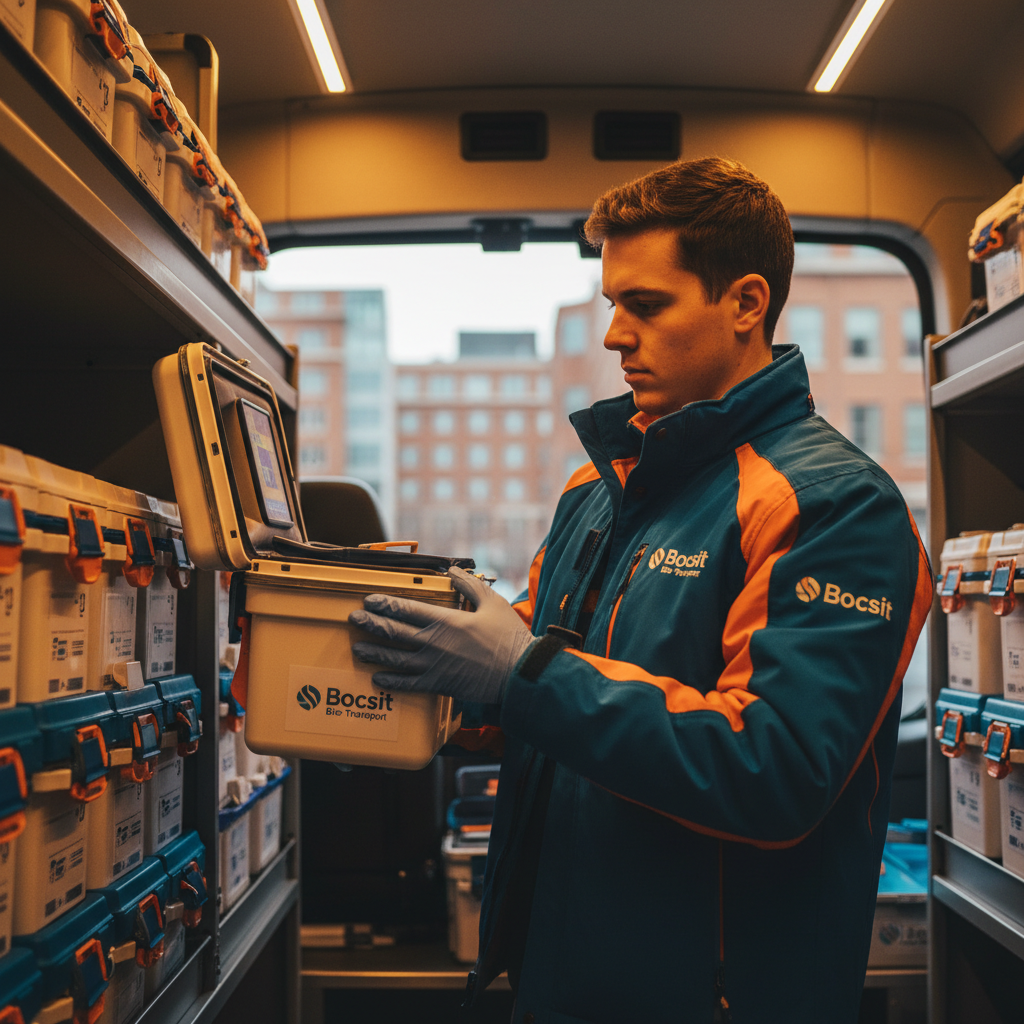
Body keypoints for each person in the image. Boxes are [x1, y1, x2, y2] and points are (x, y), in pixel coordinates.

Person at [348, 157, 933, 1024]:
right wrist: (404, 663)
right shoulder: (597, 490)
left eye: (647, 305)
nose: (616, 336)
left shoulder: (834, 506)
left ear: (746, 303)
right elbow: (525, 681)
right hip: (557, 977)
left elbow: (773, 767)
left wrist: (518, 674)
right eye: (612, 304)